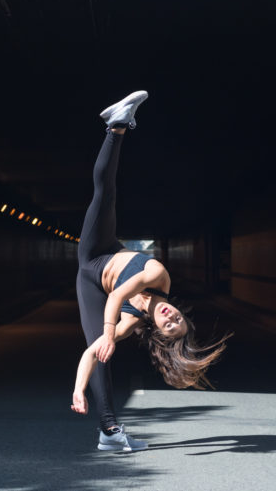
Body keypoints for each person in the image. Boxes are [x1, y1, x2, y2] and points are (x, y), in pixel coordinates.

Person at [70, 90, 230, 452]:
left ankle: (108, 430)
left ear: (158, 329)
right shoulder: (158, 275)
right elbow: (119, 293)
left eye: (169, 325)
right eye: (179, 318)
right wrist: (110, 332)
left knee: (102, 355)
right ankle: (117, 127)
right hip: (103, 250)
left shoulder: (132, 322)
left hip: (88, 271)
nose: (172, 316)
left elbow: (89, 353)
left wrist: (79, 389)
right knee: (105, 194)